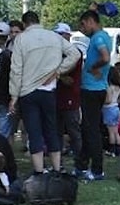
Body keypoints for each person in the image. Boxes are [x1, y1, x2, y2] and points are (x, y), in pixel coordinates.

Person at [8, 11, 81, 174]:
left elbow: (16, 69)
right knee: (52, 130)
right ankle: (57, 167)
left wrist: (14, 96)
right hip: (49, 90)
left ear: (25, 24)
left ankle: (39, 170)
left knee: (34, 132)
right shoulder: (54, 37)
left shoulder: (21, 39)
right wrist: (58, 71)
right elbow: (75, 54)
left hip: (28, 91)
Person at [77, 10, 112, 181]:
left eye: (83, 25)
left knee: (92, 130)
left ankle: (97, 170)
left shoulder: (98, 38)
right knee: (87, 128)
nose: (82, 29)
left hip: (92, 89)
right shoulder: (102, 36)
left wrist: (94, 67)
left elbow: (105, 57)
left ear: (91, 21)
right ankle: (81, 166)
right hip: (96, 88)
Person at [53, 23, 83, 168]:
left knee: (74, 133)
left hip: (70, 98)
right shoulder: (53, 53)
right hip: (55, 98)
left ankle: (80, 163)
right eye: (56, 35)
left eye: (60, 34)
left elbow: (69, 79)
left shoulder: (74, 53)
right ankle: (58, 164)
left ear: (67, 36)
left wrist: (56, 74)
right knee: (56, 133)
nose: (58, 38)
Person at [5, 20, 28, 153]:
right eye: (12, 32)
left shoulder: (25, 46)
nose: (14, 35)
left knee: (25, 123)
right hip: (11, 88)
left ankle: (26, 144)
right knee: (11, 122)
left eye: (17, 32)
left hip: (24, 88)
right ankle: (9, 148)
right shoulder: (8, 46)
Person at [103, 66, 120, 157]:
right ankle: (119, 150)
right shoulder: (117, 87)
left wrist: (102, 103)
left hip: (109, 109)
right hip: (116, 109)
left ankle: (112, 150)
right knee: (116, 131)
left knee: (111, 131)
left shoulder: (108, 87)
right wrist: (116, 102)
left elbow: (108, 100)